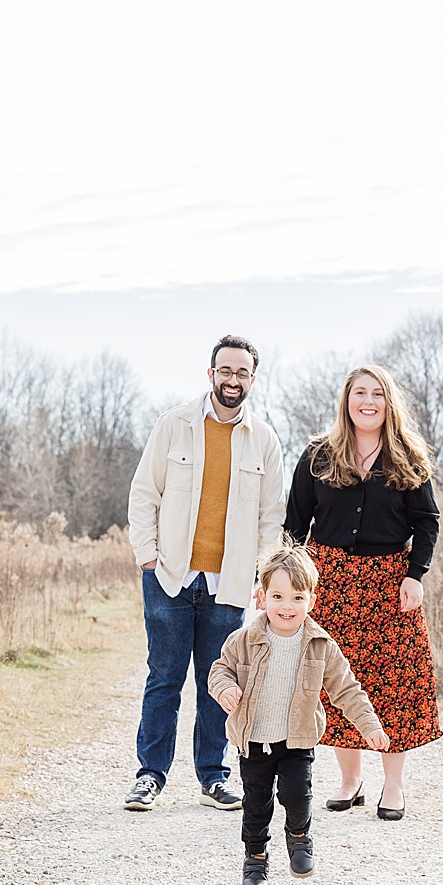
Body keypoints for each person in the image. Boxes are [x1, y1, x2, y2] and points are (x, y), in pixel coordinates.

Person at [124, 334, 286, 812]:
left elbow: (270, 518)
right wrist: (148, 558)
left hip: (229, 583)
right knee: (164, 678)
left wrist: (261, 577)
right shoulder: (173, 425)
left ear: (252, 380)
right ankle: (149, 776)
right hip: (170, 576)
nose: (232, 379)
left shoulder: (265, 440)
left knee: (219, 683)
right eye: (225, 370)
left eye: (242, 373)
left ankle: (213, 776)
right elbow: (143, 493)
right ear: (210, 373)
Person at [282, 363, 441, 821]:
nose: (367, 402)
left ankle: (394, 787)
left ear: (389, 402)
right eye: (359, 393)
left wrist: (416, 574)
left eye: (377, 394)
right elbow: (295, 525)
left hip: (391, 584)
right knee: (333, 683)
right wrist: (283, 582)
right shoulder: (318, 456)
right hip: (328, 581)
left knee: (397, 683)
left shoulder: (407, 456)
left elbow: (426, 522)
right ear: (346, 400)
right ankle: (350, 782)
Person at [208, 543, 388, 885]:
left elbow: (347, 690)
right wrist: (225, 688)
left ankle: (299, 837)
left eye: (296, 597)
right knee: (256, 804)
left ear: (311, 601)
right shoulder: (243, 640)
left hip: (297, 740)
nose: (286, 606)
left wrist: (369, 725)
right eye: (277, 596)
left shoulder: (321, 645)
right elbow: (220, 670)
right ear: (261, 597)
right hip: (254, 740)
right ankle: (256, 859)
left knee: (297, 795)